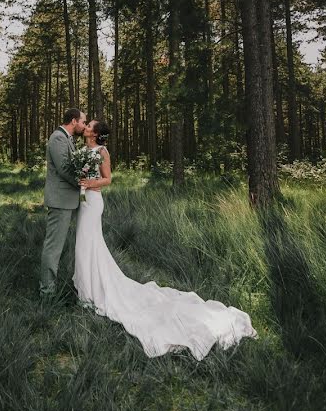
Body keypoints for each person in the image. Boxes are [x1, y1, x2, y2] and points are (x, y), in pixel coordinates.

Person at [74, 120, 257, 359]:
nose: (86, 126)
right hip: (84, 202)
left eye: (90, 125)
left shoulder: (102, 152)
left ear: (96, 133)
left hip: (94, 200)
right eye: (86, 124)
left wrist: (90, 183)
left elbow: (108, 179)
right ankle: (87, 289)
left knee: (90, 244)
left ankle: (94, 293)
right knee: (85, 245)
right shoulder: (83, 151)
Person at [40, 108, 87, 297]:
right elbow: (65, 169)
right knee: (53, 247)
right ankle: (47, 292)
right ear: (74, 121)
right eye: (83, 121)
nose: (84, 125)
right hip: (60, 201)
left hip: (68, 200)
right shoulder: (58, 138)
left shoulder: (68, 138)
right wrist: (83, 183)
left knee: (59, 246)